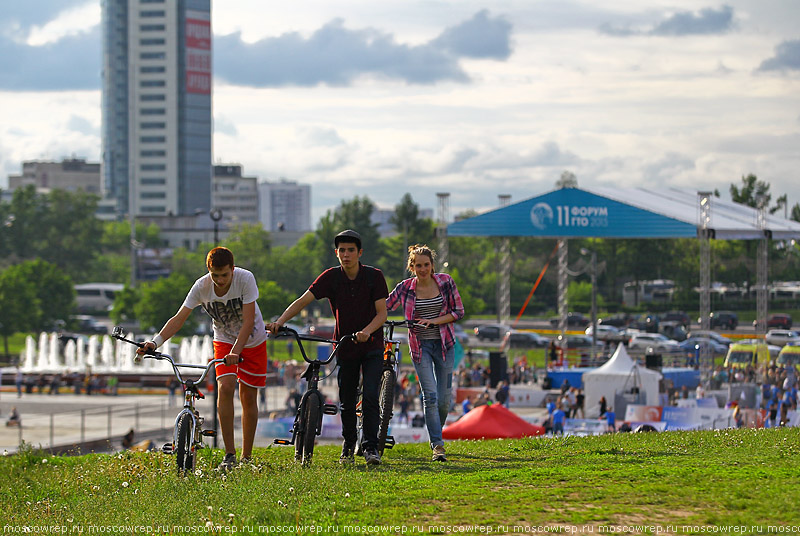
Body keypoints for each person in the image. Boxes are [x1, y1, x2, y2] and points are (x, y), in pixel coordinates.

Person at [137, 247, 268, 471]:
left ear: (232, 270)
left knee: (248, 396)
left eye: (224, 275)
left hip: (252, 339)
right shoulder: (201, 286)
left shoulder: (245, 279)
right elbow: (179, 318)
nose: (220, 281)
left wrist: (236, 352)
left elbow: (248, 322)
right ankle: (230, 454)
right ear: (208, 271)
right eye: (215, 275)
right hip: (224, 339)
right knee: (225, 388)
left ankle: (246, 457)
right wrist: (154, 342)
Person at [266, 230, 388, 466]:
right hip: (344, 345)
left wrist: (367, 331)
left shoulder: (374, 277)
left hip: (371, 344)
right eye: (341, 250)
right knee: (347, 399)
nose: (346, 255)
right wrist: (280, 322)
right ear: (336, 253)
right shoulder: (331, 277)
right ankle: (348, 444)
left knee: (371, 396)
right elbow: (303, 300)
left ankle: (371, 447)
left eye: (351, 250)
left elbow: (382, 313)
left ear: (359, 253)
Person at [385, 244, 465, 463]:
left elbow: (458, 312)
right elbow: (385, 305)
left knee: (444, 400)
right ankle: (438, 445)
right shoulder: (405, 288)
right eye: (418, 265)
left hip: (445, 345)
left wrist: (433, 322)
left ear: (432, 265)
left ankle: (435, 431)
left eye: (426, 265)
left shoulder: (446, 282)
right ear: (412, 266)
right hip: (420, 347)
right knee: (430, 397)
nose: (422, 269)